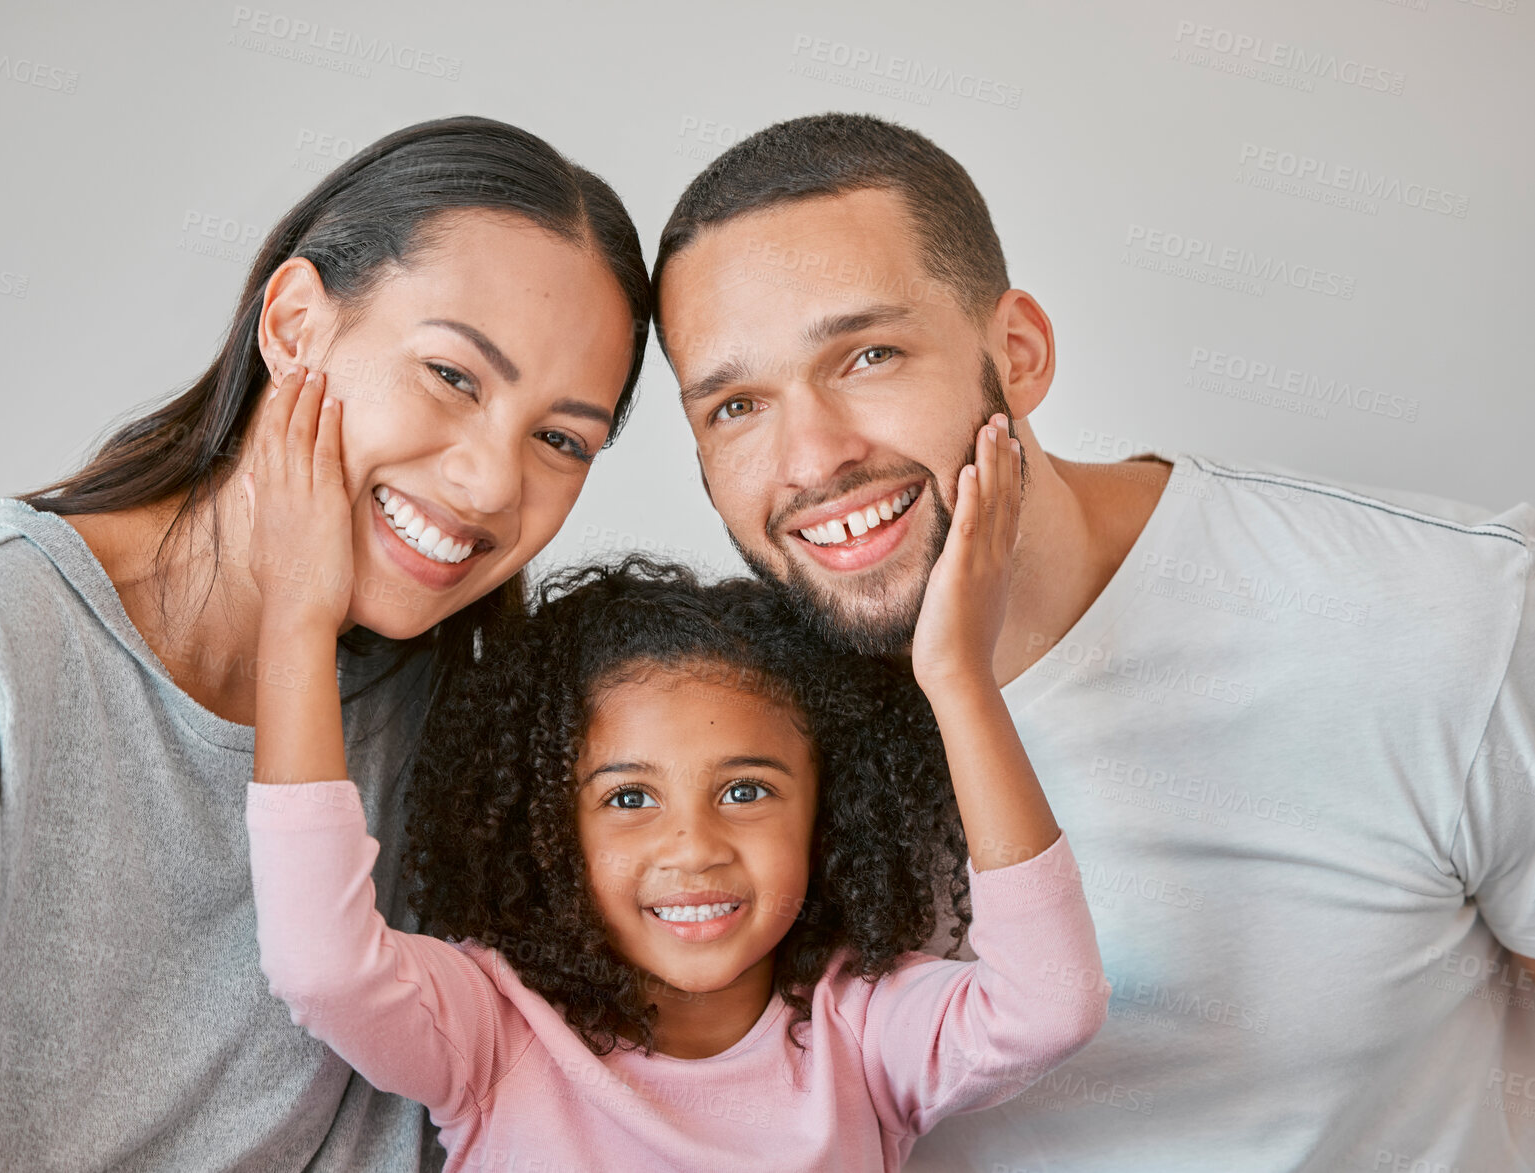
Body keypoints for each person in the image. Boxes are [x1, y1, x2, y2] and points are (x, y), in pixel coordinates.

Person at [651, 111, 1535, 1171]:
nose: (810, 459)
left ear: (1016, 354)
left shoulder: (1446, 617)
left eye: (868, 354)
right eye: (736, 405)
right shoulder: (722, 743)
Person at [0, 115, 650, 1172]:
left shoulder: (485, 718)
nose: (492, 483)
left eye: (559, 439)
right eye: (453, 376)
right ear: (297, 323)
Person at [238, 386, 1106, 1171]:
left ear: (827, 811)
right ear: (548, 828)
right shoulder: (496, 1029)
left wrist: (957, 677)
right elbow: (323, 968)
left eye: (745, 790)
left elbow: (1048, 1007)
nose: (693, 846)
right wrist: (298, 619)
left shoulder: (865, 1032)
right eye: (627, 798)